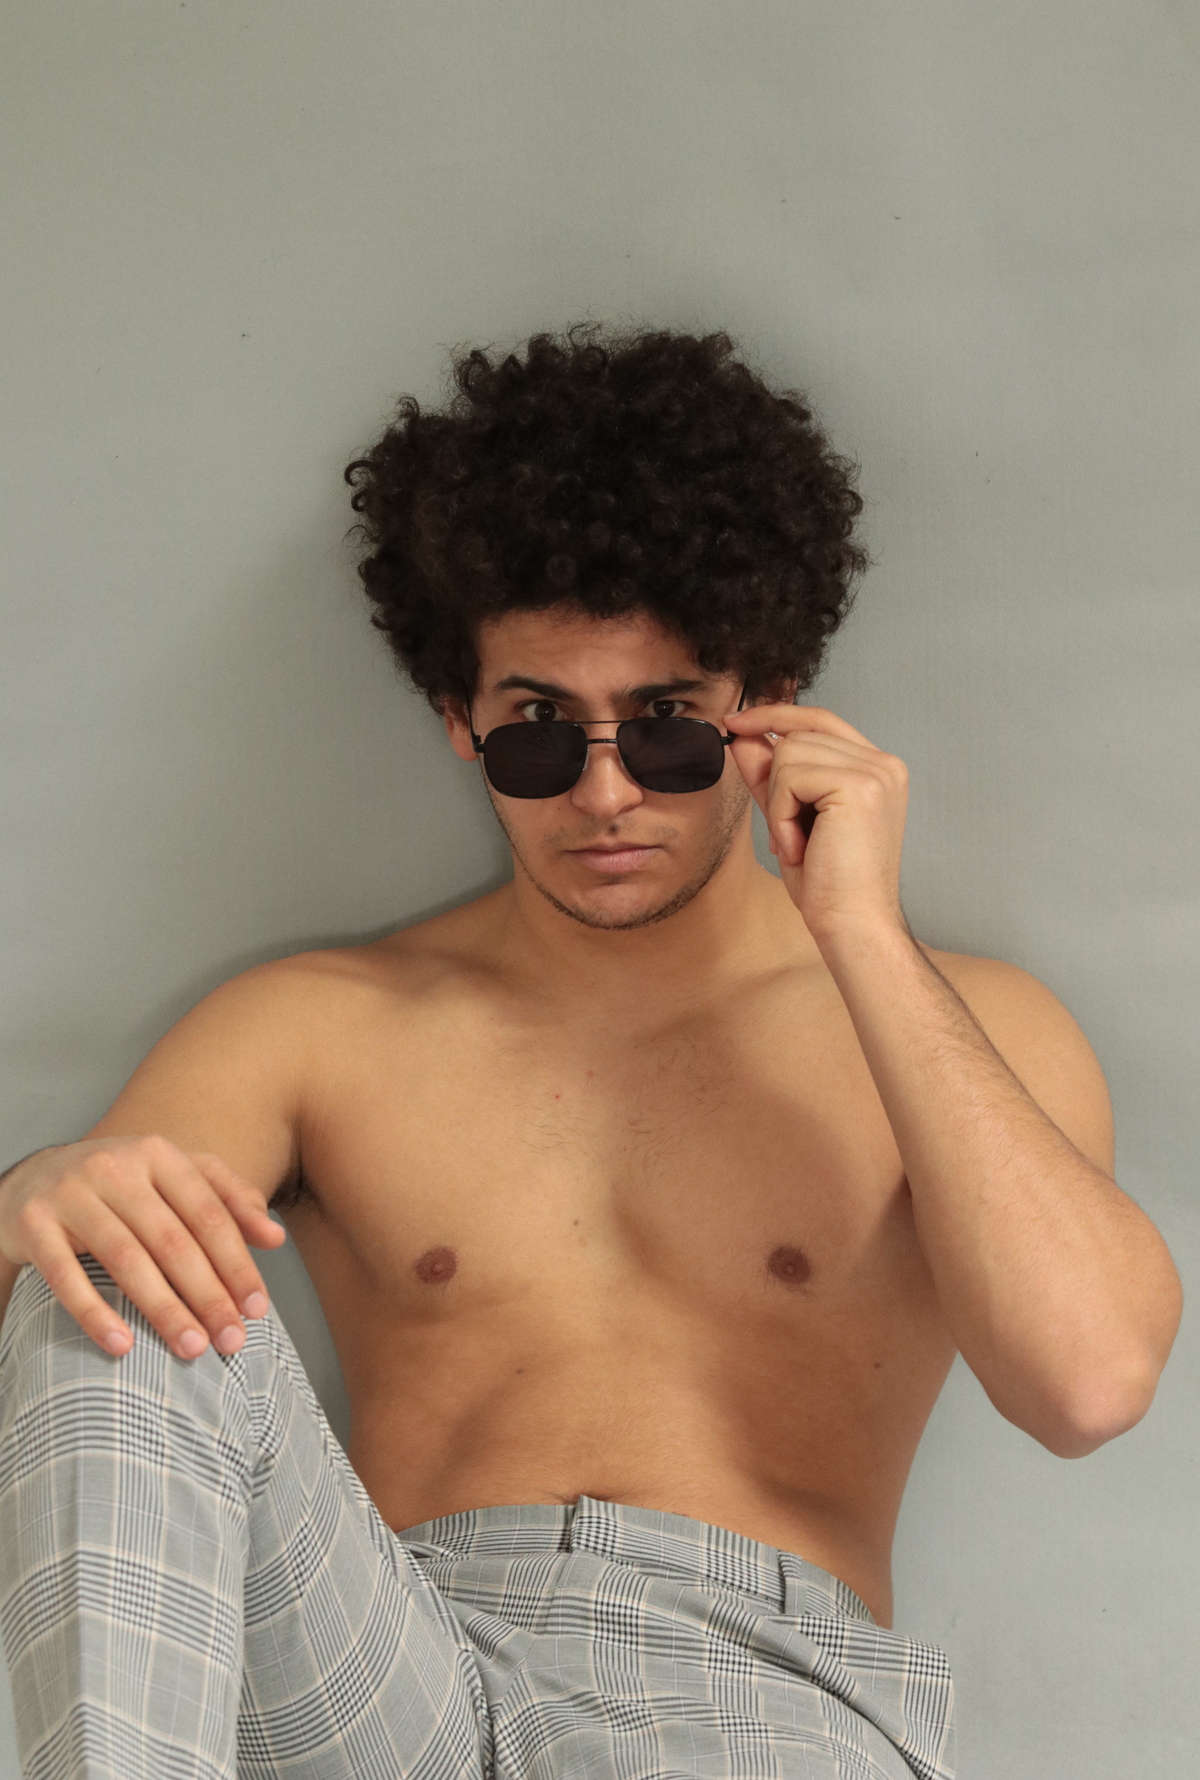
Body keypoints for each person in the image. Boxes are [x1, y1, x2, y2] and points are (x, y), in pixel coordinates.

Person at [0, 326, 1181, 1780]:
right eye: (541, 734)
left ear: (765, 706)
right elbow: (76, 1348)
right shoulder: (314, 1025)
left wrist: (860, 931)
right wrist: (25, 1198)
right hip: (392, 1675)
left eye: (668, 729)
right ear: (460, 722)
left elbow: (1089, 1384)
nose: (607, 795)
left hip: (763, 1699)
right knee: (107, 1256)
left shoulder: (966, 1025)